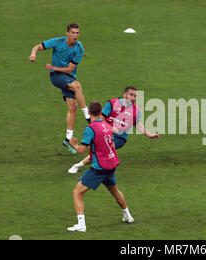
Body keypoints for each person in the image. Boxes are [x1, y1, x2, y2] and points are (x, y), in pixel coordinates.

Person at [67, 102, 134, 232]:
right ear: (101, 111)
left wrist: (73, 144)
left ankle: (81, 225)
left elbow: (81, 150)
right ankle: (128, 216)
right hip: (111, 164)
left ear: (89, 113)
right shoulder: (107, 126)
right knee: (114, 191)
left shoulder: (90, 129)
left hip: (99, 168)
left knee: (77, 192)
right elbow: (112, 145)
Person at [68, 86, 159, 174]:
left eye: (135, 96)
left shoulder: (136, 110)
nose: (133, 98)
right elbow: (101, 118)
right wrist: (110, 128)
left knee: (103, 150)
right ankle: (95, 167)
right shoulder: (112, 103)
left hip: (120, 137)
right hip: (104, 132)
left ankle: (78, 166)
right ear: (125, 95)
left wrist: (148, 134)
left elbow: (137, 124)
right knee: (98, 152)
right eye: (131, 95)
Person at [29, 23, 90, 154]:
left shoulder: (79, 48)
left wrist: (53, 67)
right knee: (77, 86)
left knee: (72, 106)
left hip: (67, 75)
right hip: (56, 76)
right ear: (67, 33)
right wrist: (33, 54)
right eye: (73, 33)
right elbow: (37, 47)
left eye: (77, 33)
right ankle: (88, 116)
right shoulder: (57, 42)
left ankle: (68, 138)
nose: (75, 35)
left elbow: (70, 69)